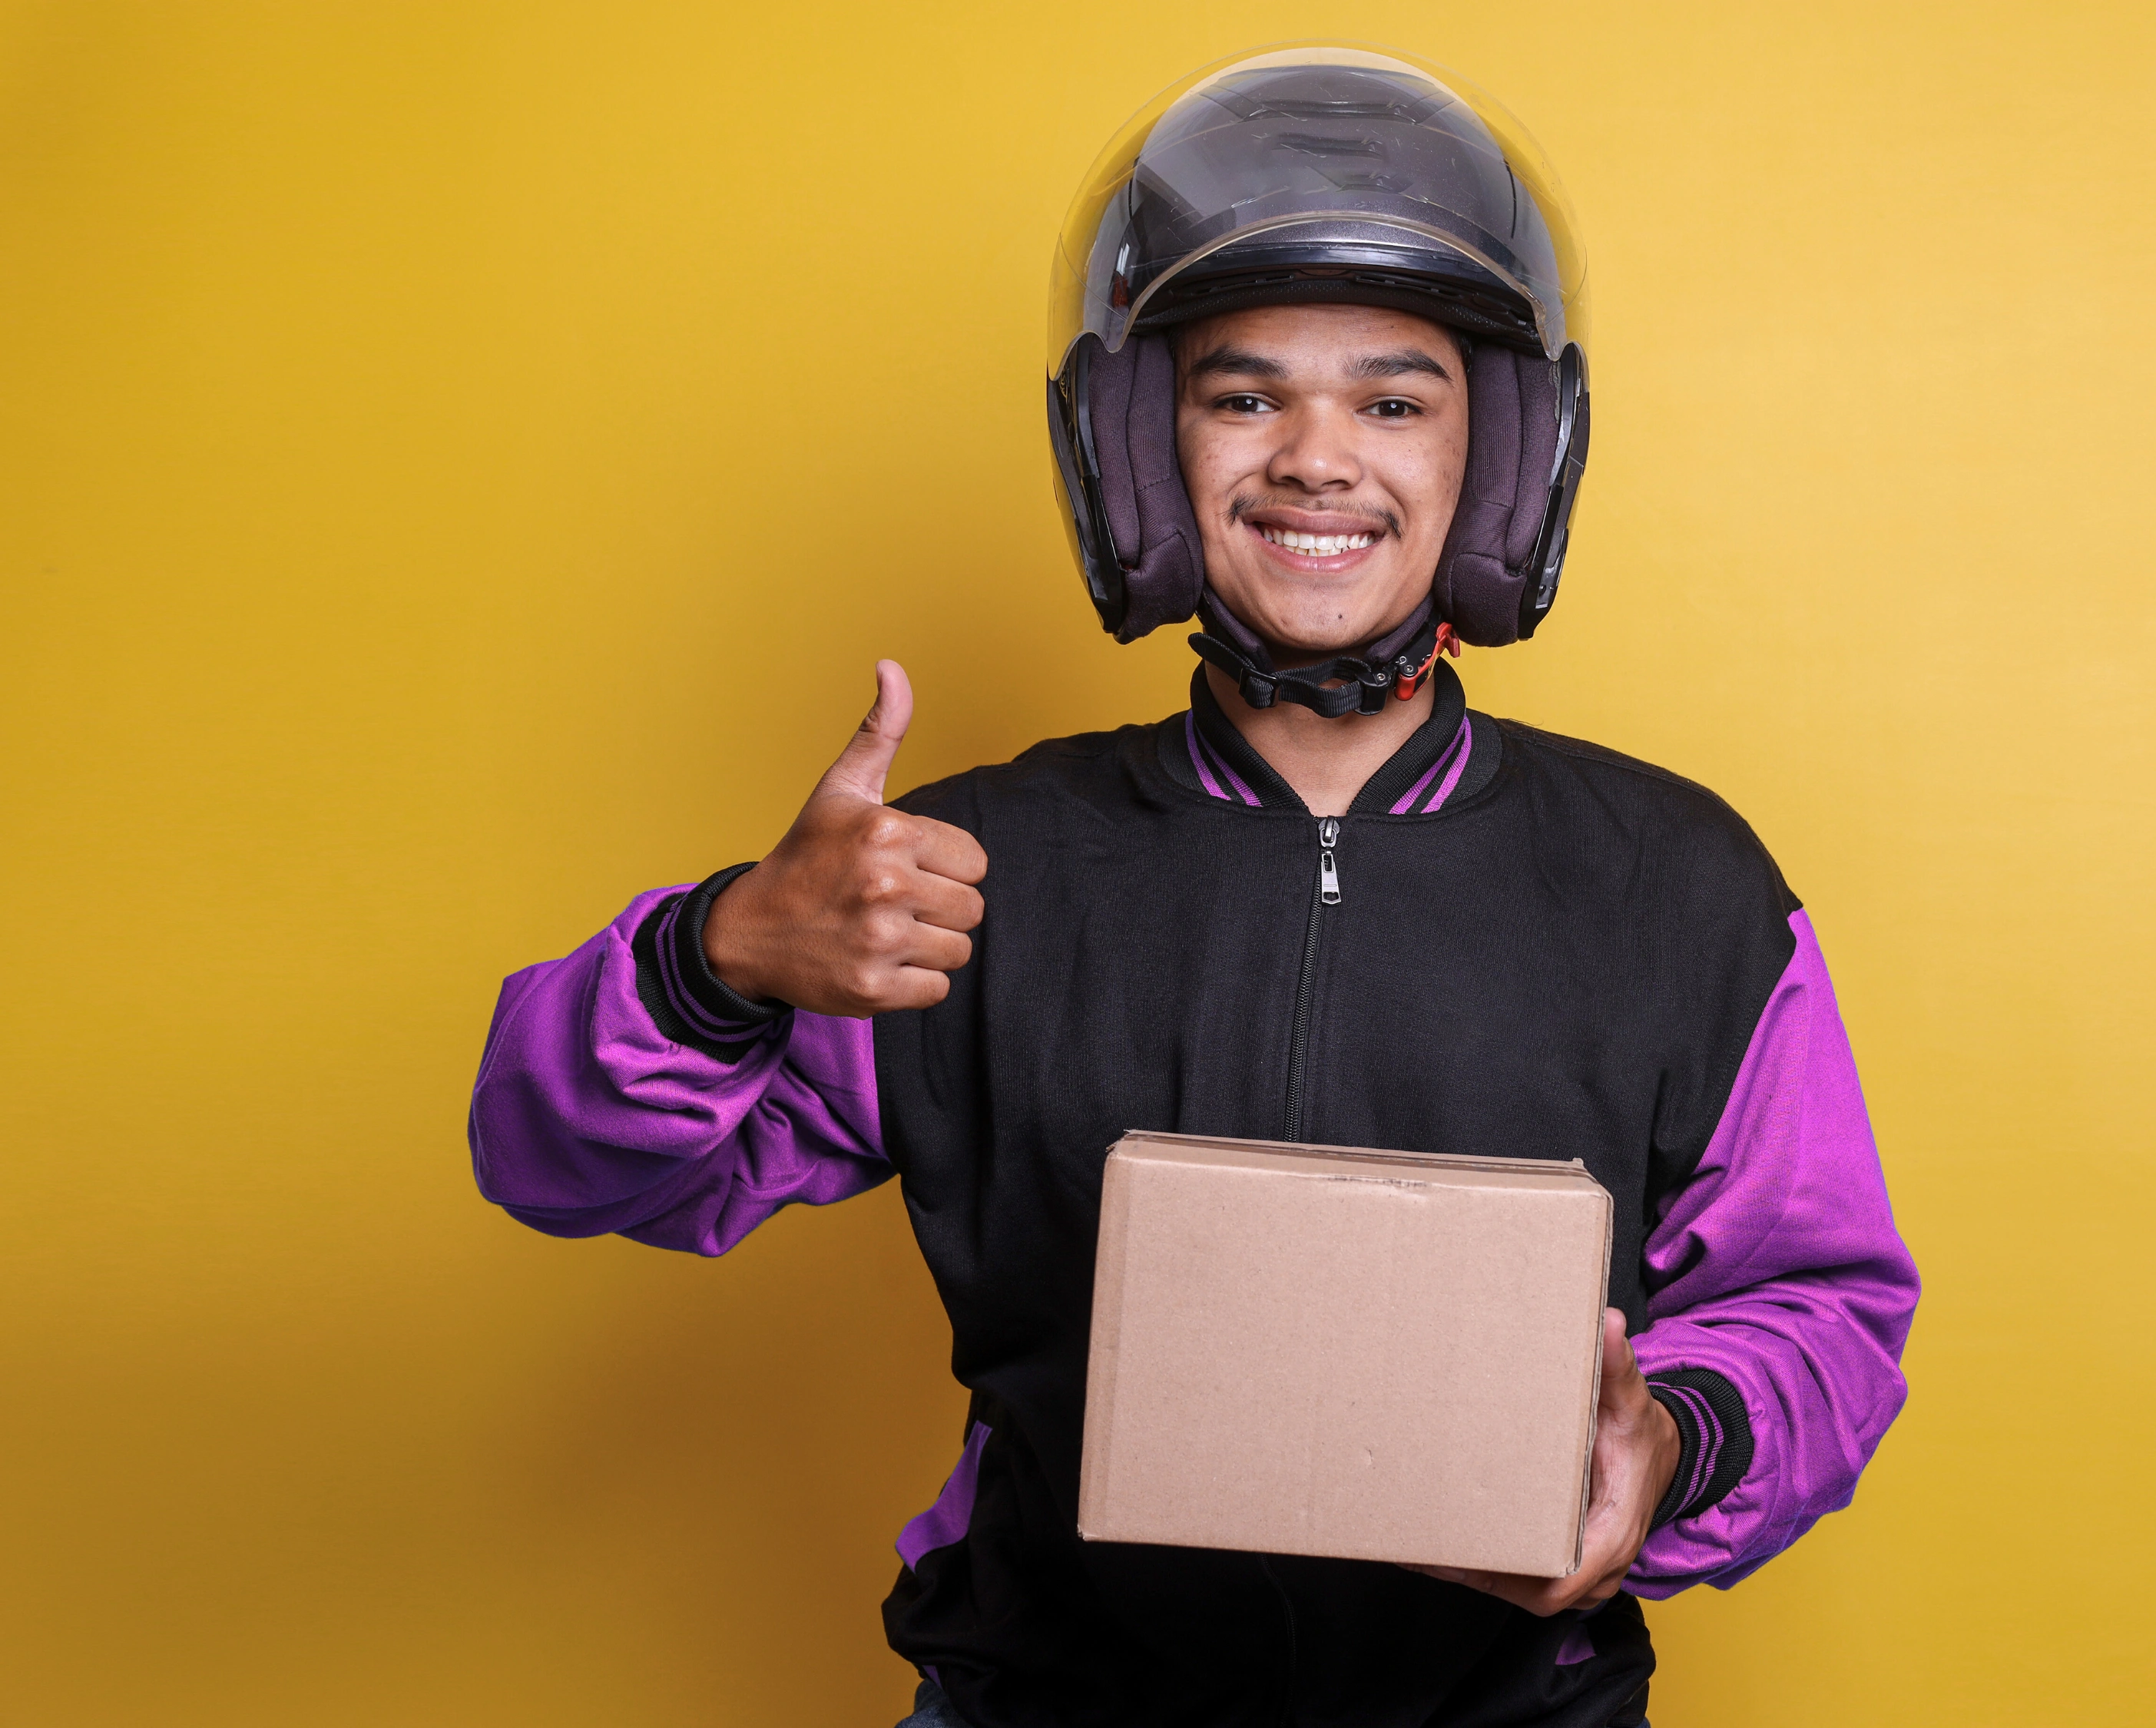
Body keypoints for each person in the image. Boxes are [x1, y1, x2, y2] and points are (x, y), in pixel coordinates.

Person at [469, 44, 1916, 1728]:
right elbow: (553, 1164)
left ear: (1501, 456)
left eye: (1394, 403)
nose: (1316, 459)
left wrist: (1675, 1445)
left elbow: (1819, 1304)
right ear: (1140, 456)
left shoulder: (1674, 879)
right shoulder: (953, 876)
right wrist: (711, 959)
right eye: (1243, 399)